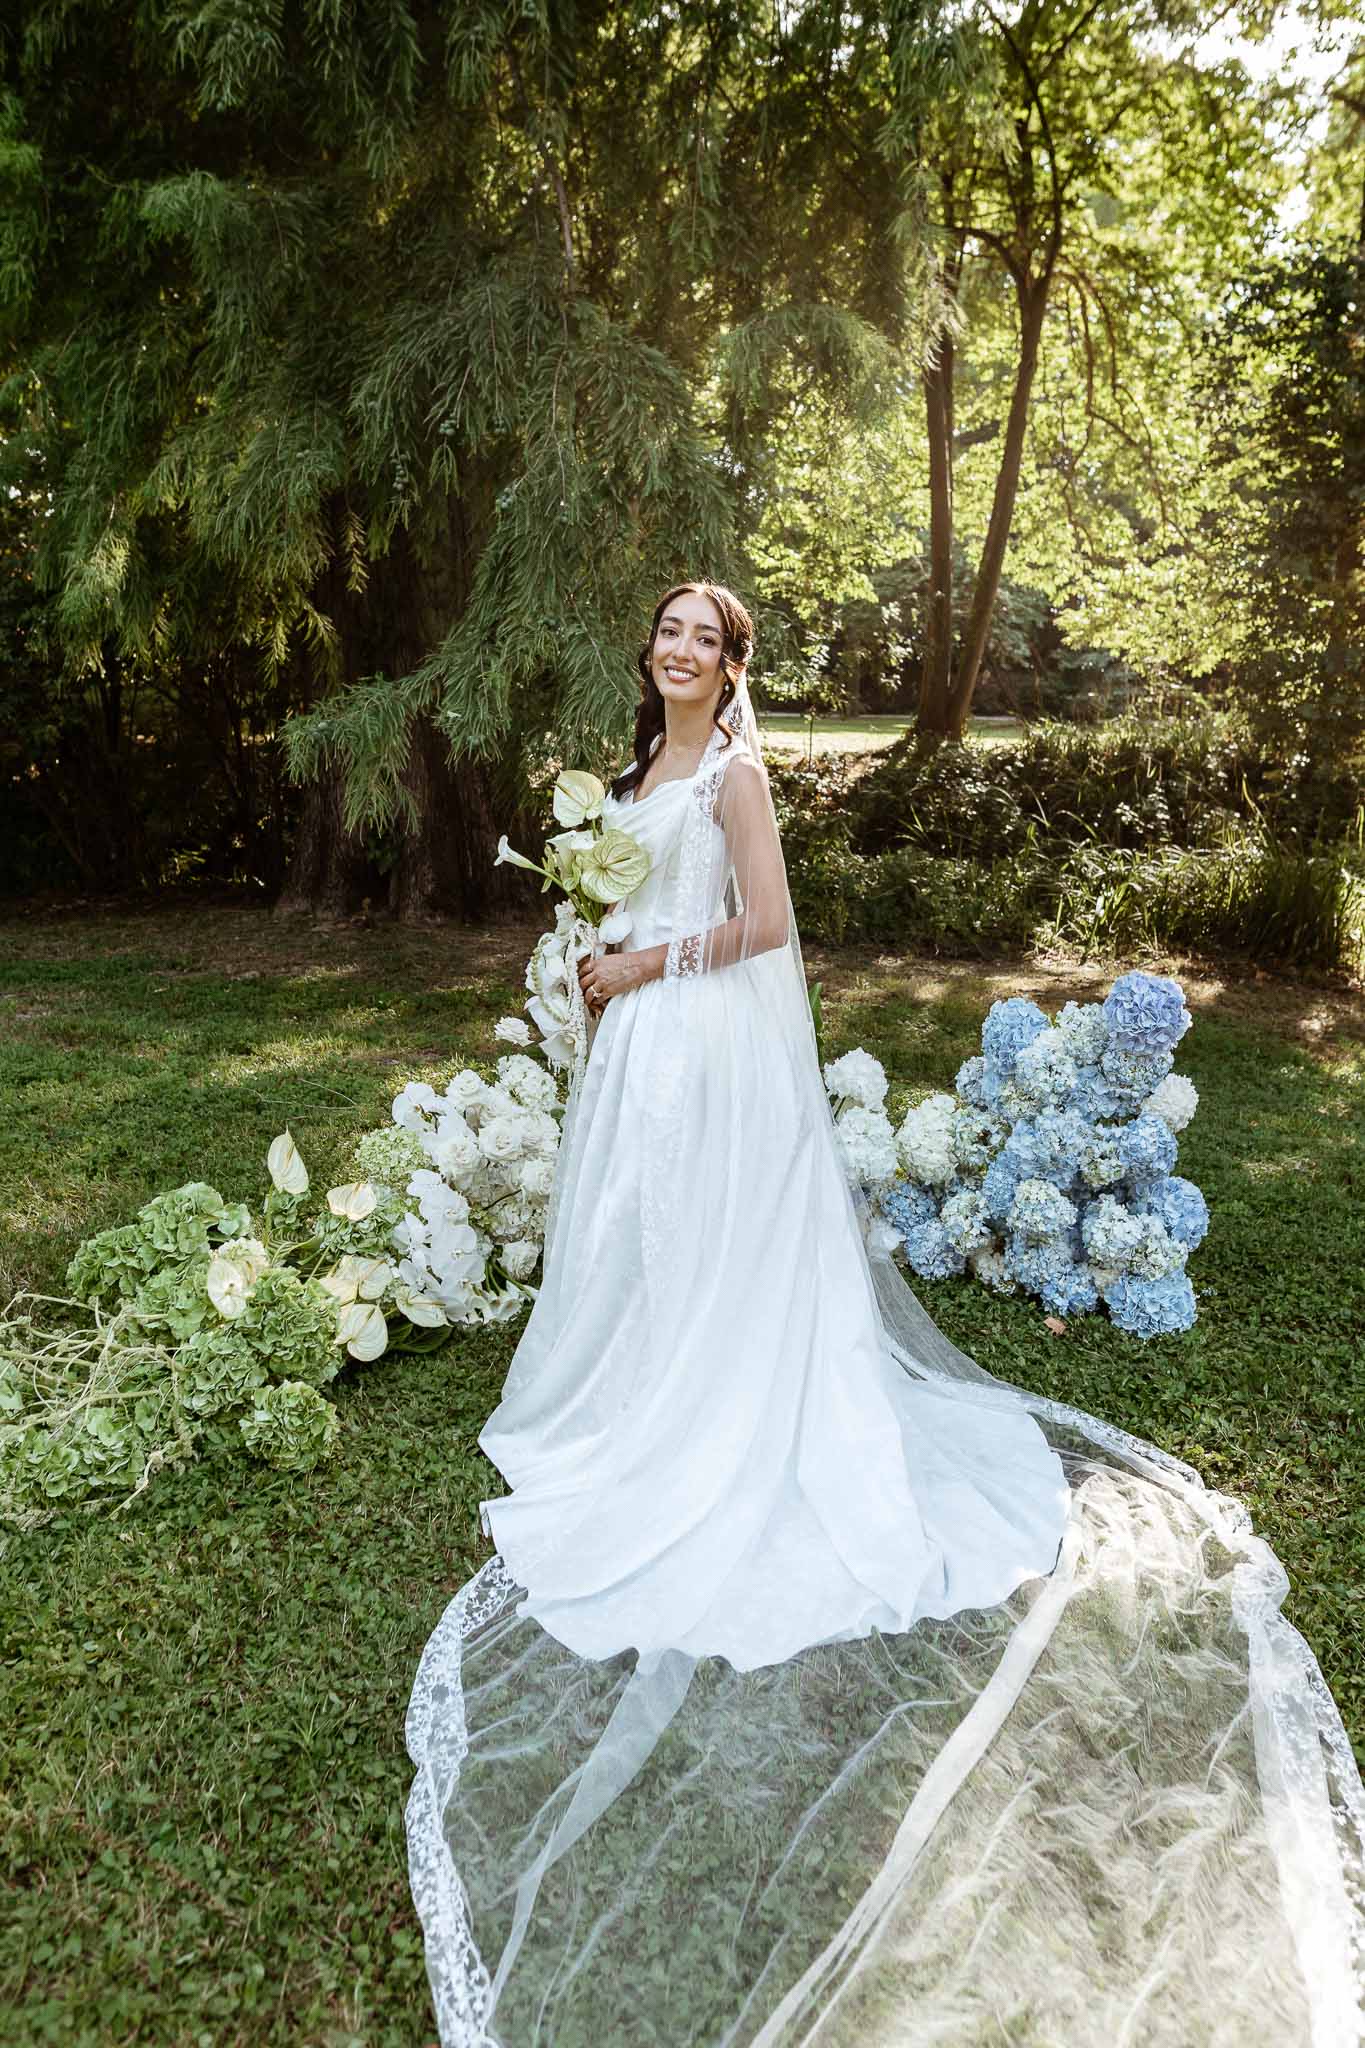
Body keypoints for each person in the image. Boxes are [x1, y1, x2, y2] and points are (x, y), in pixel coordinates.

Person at [404, 582, 1365, 2048]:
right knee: (641, 1236)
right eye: (663, 630)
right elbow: (616, 893)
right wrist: (592, 957)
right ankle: (631, 1386)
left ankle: (713, 1410)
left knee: (716, 1239)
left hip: (706, 1039)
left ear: (730, 668)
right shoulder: (621, 779)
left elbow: (770, 926)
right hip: (638, 1052)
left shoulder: (732, 775)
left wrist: (636, 965)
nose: (675, 650)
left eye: (701, 638)